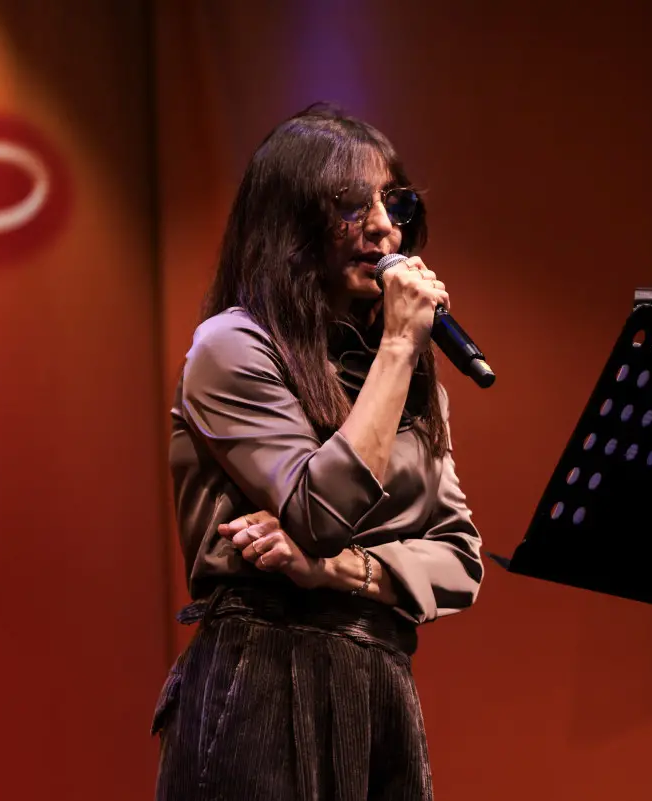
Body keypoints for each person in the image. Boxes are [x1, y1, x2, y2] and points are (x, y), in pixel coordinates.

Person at [151, 103, 484, 800]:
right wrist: (400, 345)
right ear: (288, 224)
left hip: (381, 685)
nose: (384, 228)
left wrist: (332, 569)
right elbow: (319, 507)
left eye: (391, 204)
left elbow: (458, 557)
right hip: (265, 675)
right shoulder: (234, 347)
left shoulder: (397, 377)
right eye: (348, 205)